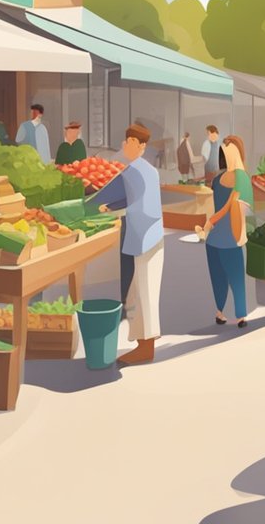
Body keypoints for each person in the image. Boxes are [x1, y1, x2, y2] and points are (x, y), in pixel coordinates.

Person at [96, 124, 165, 366]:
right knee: (142, 292)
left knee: (142, 294)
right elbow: (129, 196)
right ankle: (143, 345)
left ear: (141, 146)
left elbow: (107, 193)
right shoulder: (148, 170)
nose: (125, 146)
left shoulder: (132, 171)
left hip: (142, 237)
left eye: (130, 142)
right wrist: (113, 206)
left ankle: (145, 348)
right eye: (125, 141)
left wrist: (100, 205)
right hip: (152, 236)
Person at [201, 136, 249, 328]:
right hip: (215, 237)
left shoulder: (242, 179)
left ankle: (241, 315)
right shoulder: (218, 179)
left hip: (230, 236)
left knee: (236, 277)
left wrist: (210, 221)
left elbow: (238, 208)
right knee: (218, 276)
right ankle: (220, 311)